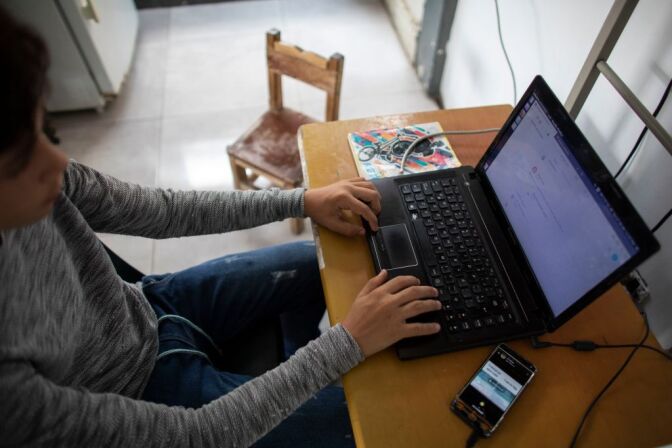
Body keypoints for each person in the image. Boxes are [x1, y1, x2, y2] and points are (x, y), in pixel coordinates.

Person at [0, 9, 442, 447]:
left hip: (152, 305)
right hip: (142, 396)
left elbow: (162, 212)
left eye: (48, 133)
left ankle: (290, 363)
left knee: (324, 261)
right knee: (381, 424)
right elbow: (198, 436)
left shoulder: (43, 178)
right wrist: (347, 343)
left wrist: (303, 200)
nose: (58, 164)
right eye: (23, 158)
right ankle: (296, 374)